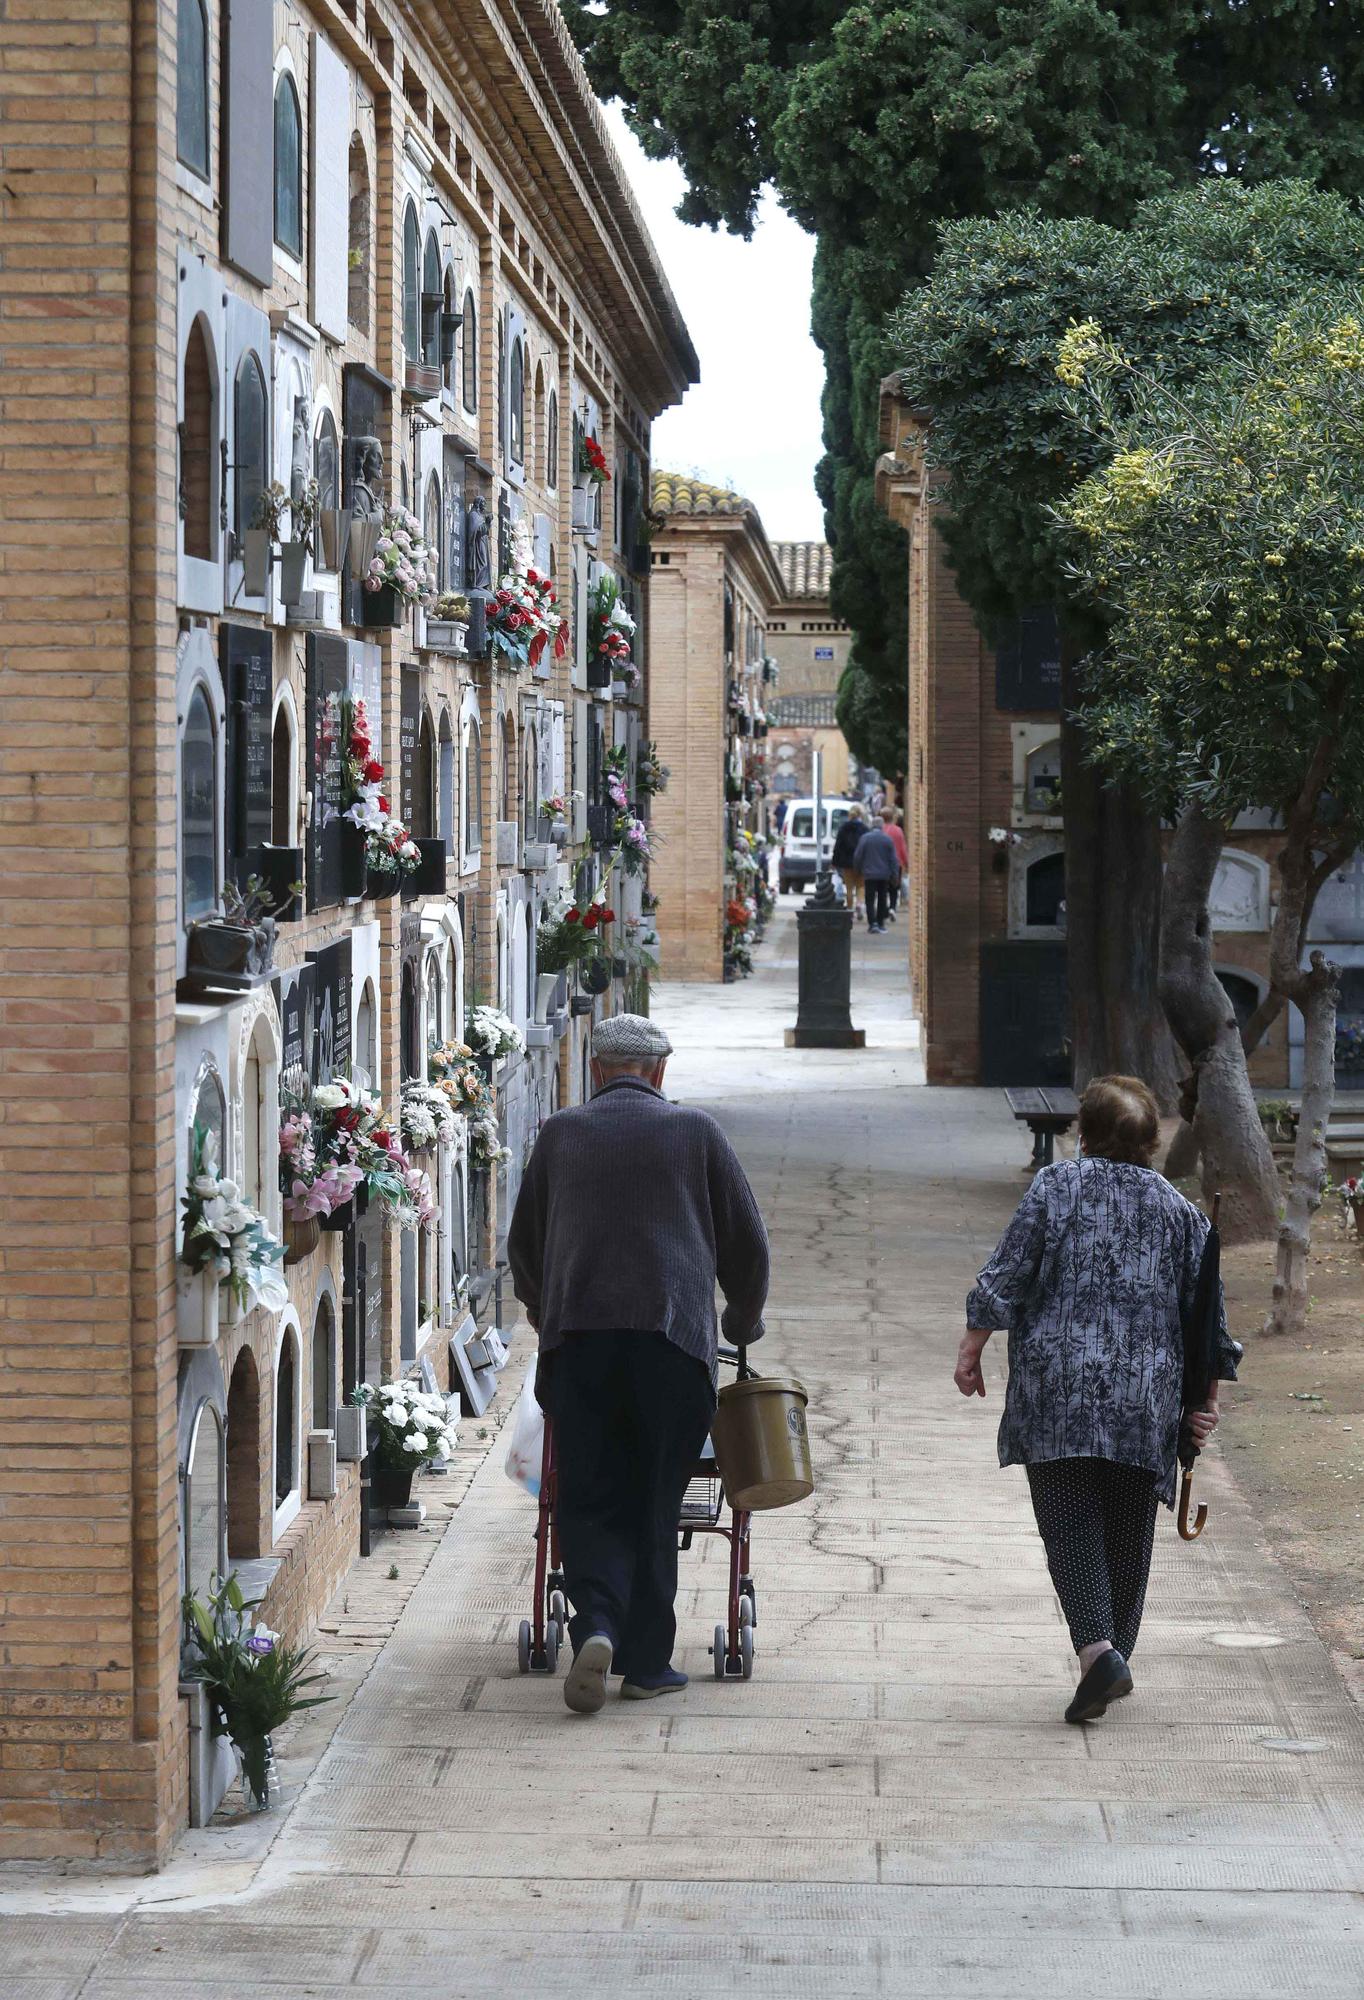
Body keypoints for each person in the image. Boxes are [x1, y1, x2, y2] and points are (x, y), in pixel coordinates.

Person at [507, 1014, 770, 1715]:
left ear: (596, 1071)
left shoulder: (561, 1135)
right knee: (657, 1498)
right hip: (673, 1347)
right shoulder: (695, 1132)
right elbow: (748, 1244)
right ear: (658, 1073)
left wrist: (545, 1312)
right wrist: (743, 1321)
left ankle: (595, 1624)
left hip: (581, 1345)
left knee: (590, 1494)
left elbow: (524, 1247)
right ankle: (648, 1663)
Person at [956, 1076, 1238, 1723]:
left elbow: (1006, 1274)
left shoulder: (1057, 1188)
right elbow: (1207, 1323)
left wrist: (971, 1349)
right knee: (1127, 1531)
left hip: (1059, 1392)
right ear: (1150, 1141)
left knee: (1069, 1523)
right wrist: (1206, 1401)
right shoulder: (1180, 1213)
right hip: (1145, 1399)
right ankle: (1109, 1659)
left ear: (1083, 1132)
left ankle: (1099, 1654)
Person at [853, 814, 900, 933]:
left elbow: (858, 856)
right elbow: (893, 859)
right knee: (882, 899)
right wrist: (894, 874)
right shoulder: (887, 839)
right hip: (884, 875)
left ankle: (872, 923)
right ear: (882, 826)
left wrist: (857, 870)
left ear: (872, 825)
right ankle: (880, 923)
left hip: (869, 874)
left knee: (869, 899)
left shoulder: (865, 838)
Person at [830, 803, 865, 917]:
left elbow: (838, 846)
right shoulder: (864, 829)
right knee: (860, 886)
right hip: (861, 863)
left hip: (846, 863)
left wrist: (834, 862)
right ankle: (859, 904)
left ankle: (850, 910)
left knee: (849, 887)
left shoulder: (843, 828)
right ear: (860, 815)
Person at [882, 808, 908, 920]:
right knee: (894, 888)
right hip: (896, 864)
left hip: (881, 863)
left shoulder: (880, 830)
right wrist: (907, 863)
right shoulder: (898, 831)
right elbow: (902, 848)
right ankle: (892, 908)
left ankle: (884, 908)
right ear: (892, 817)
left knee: (883, 888)